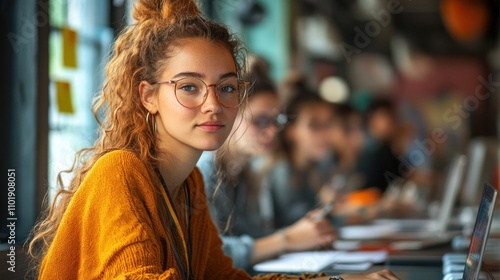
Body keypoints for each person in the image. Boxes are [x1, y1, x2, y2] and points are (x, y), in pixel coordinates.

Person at [28, 0, 399, 279]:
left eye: (226, 87)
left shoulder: (189, 184)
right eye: (189, 87)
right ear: (148, 96)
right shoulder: (120, 173)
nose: (213, 104)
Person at [198, 57, 336, 270]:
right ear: (230, 114)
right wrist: (287, 239)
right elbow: (210, 255)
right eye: (260, 121)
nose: (272, 131)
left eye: (276, 121)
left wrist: (301, 233)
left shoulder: (246, 172)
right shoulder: (204, 170)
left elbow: (252, 235)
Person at [267, 92, 336, 228]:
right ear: (291, 131)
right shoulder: (281, 170)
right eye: (314, 126)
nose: (325, 134)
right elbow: (299, 222)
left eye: (327, 125)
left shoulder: (309, 169)